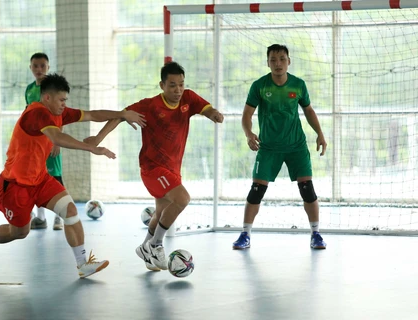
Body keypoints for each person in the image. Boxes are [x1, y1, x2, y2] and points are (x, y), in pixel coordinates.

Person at [0, 73, 146, 278]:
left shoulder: (58, 112)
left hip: (41, 179)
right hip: (16, 185)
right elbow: (57, 137)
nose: (65, 104)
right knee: (19, 232)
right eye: (62, 100)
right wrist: (90, 148)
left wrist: (121, 113)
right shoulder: (35, 114)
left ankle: (82, 264)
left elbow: (91, 114)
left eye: (66, 100)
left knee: (71, 211)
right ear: (47, 98)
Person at [84, 62, 224, 271]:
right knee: (182, 199)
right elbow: (119, 117)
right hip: (152, 168)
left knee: (161, 213)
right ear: (162, 85)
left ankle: (144, 247)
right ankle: (156, 244)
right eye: (172, 85)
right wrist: (97, 138)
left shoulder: (188, 98)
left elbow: (206, 108)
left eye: (181, 85)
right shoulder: (150, 106)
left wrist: (214, 113)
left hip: (173, 169)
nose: (178, 90)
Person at [233, 44, 327, 250]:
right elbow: (247, 114)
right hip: (268, 147)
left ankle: (316, 234)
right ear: (267, 63)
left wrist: (319, 133)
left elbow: (309, 110)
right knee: (256, 191)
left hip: (296, 146)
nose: (278, 63)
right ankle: (245, 235)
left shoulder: (298, 85)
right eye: (273, 60)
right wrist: (249, 134)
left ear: (288, 61)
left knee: (307, 189)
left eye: (282, 59)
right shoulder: (259, 86)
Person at [25, 52, 63, 231]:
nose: (39, 69)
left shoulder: (53, 89)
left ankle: (59, 218)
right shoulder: (29, 90)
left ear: (48, 67)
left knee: (55, 178)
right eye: (35, 66)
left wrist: (57, 141)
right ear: (31, 68)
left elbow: (60, 116)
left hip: (50, 141)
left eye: (42, 66)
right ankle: (40, 218)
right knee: (34, 179)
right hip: (35, 144)